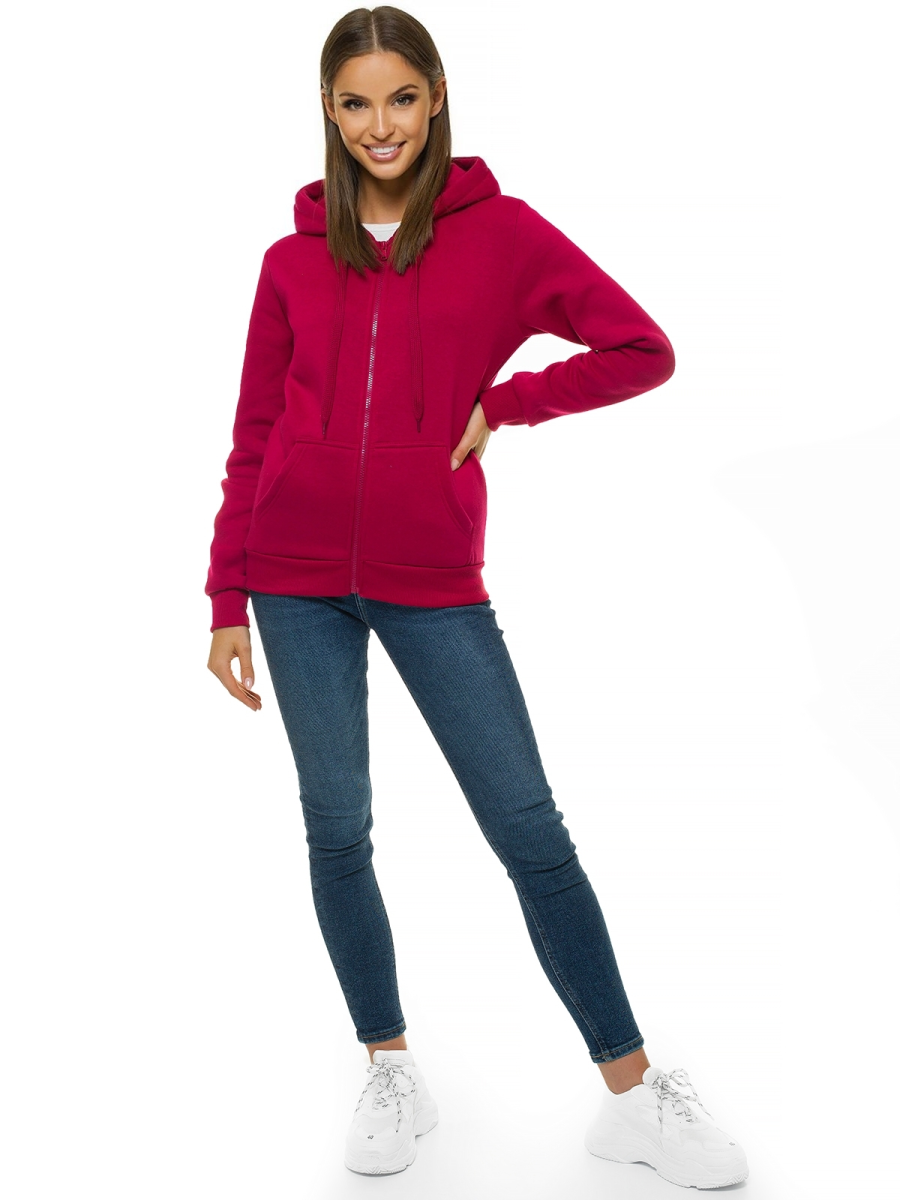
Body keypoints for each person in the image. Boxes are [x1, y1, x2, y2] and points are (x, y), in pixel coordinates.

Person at [205, 5, 748, 1188]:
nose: (380, 125)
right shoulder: (290, 261)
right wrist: (224, 597)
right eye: (356, 104)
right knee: (337, 831)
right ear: (329, 112)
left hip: (432, 580)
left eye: (401, 98)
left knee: (529, 832)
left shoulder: (501, 236)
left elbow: (641, 349)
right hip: (291, 581)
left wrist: (505, 405)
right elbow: (253, 432)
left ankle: (632, 1092)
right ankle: (389, 1067)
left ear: (436, 97)